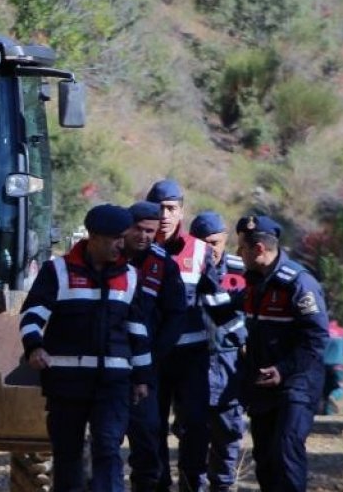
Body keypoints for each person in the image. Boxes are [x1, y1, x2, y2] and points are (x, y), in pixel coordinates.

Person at [20, 204, 152, 492]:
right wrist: (34, 347)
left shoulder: (130, 276)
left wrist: (142, 377)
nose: (121, 244)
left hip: (114, 384)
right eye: (114, 238)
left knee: (107, 447)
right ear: (93, 237)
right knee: (68, 455)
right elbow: (31, 317)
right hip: (66, 384)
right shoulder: (57, 271)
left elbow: (138, 330)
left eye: (123, 237)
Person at [235, 215, 329, 492]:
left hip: (297, 382)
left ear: (259, 249)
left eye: (241, 248)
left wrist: (283, 370)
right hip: (263, 385)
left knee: (286, 449)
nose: (238, 253)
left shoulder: (299, 284)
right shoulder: (253, 284)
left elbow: (316, 338)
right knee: (265, 459)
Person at [145, 180, 212, 492]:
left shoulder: (200, 251)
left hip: (191, 357)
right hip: (152, 357)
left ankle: (191, 484)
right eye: (159, 209)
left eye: (171, 209)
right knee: (151, 427)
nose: (164, 216)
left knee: (196, 425)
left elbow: (217, 301)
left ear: (182, 211)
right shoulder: (137, 249)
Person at [122, 201, 186, 492]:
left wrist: (154, 357)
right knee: (100, 442)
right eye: (138, 229)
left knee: (148, 438)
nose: (144, 236)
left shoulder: (164, 266)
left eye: (150, 231)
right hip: (103, 364)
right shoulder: (105, 255)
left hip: (145, 368)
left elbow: (176, 315)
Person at [191, 211, 248, 492]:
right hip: (194, 366)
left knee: (228, 439)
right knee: (194, 443)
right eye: (203, 242)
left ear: (225, 240)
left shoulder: (242, 269)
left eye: (215, 242)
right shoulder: (184, 269)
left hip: (231, 366)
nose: (209, 248)